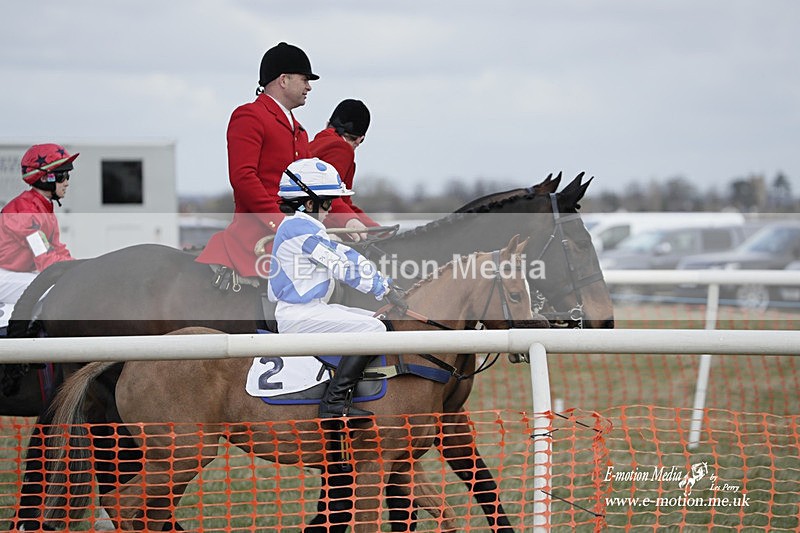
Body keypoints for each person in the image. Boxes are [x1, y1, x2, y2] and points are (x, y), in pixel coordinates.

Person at [268, 158, 405, 418]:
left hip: (311, 310)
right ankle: (334, 402)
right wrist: (383, 288)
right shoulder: (301, 230)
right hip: (299, 316)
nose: (331, 208)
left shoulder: (305, 227)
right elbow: (342, 264)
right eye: (328, 201)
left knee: (378, 319)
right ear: (309, 203)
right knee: (374, 329)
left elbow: (345, 256)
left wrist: (384, 284)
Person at [196, 42, 319, 278]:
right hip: (258, 233)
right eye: (304, 80)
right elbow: (243, 178)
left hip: (294, 230)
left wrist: (350, 222)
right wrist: (280, 223)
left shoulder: (300, 131)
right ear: (283, 80)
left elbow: (314, 188)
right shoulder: (250, 116)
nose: (309, 87)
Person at [0, 143, 76, 305]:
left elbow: (57, 249)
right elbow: (45, 259)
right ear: (44, 177)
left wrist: (82, 267)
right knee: (53, 289)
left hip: (16, 273)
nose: (67, 182)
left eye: (68, 175)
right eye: (62, 175)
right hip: (3, 275)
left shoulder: (44, 207)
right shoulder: (25, 210)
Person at [309, 99, 379, 239]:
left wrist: (376, 229)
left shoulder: (315, 144)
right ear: (360, 139)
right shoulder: (341, 148)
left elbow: (344, 203)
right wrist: (352, 222)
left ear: (328, 124)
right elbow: (329, 197)